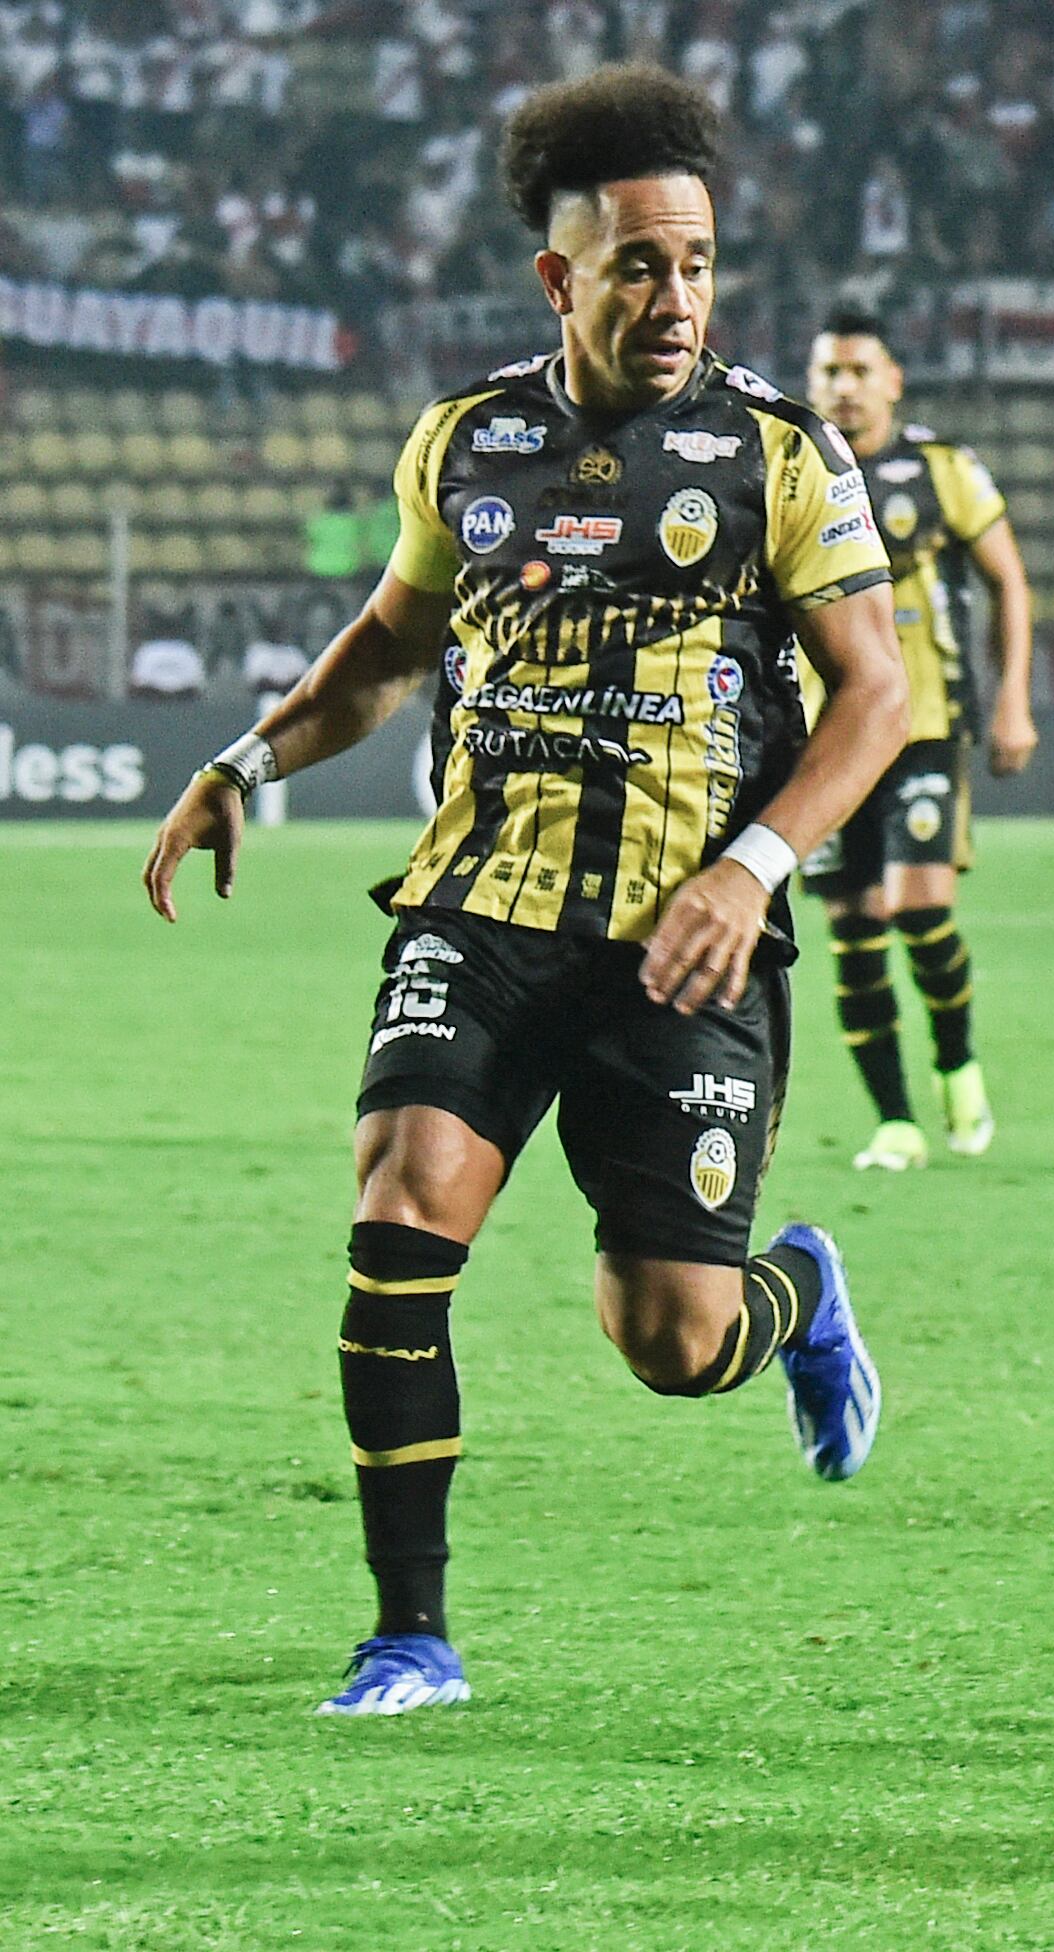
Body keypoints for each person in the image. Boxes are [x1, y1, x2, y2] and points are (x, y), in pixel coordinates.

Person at [139, 64, 910, 1718]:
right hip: (481, 903)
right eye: (638, 266)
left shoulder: (780, 453)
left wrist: (752, 868)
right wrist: (247, 760)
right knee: (402, 1202)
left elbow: (876, 696)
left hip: (684, 936)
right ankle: (409, 1637)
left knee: (673, 1342)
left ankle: (794, 1293)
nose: (676, 298)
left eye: (697, 263)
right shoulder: (469, 440)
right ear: (561, 277)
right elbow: (387, 645)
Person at [799, 309, 1038, 1170]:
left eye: (860, 370)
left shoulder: (942, 470)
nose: (844, 387)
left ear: (893, 381)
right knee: (855, 930)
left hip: (924, 723)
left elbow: (1009, 580)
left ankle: (956, 1066)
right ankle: (894, 1122)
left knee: (920, 908)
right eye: (830, 372)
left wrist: (1013, 701)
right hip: (825, 737)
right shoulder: (791, 469)